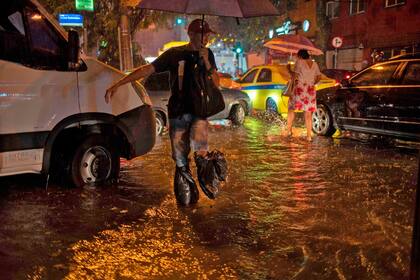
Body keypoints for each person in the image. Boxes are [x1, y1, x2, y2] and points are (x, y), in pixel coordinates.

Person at [105, 19, 220, 206]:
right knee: (181, 160)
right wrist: (118, 84)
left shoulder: (208, 55)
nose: (206, 38)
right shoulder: (175, 54)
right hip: (177, 114)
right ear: (191, 35)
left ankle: (207, 190)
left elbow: (217, 83)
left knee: (202, 155)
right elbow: (146, 70)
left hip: (199, 113)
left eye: (208, 35)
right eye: (203, 34)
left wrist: (207, 61)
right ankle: (187, 203)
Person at [286, 49, 321, 141]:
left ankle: (289, 130)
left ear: (300, 56)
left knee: (291, 108)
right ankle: (309, 136)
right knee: (308, 113)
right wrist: (312, 83)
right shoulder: (315, 64)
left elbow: (295, 76)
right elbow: (319, 77)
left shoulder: (300, 62)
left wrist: (289, 69)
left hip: (300, 89)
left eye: (297, 56)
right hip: (310, 90)